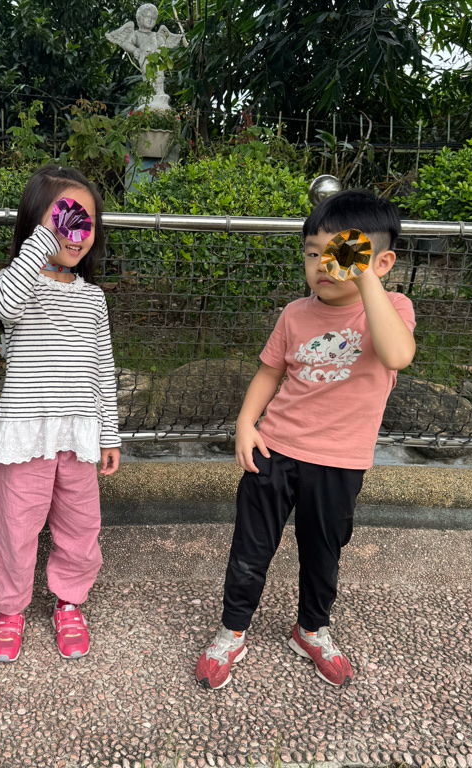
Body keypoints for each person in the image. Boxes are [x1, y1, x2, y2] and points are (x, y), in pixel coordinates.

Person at [195, 189, 416, 689]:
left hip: (340, 462)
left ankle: (311, 629)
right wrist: (246, 424)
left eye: (341, 253)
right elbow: (269, 372)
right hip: (275, 449)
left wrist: (365, 278)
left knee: (323, 552)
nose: (323, 265)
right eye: (313, 253)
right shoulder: (295, 314)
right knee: (250, 548)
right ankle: (232, 631)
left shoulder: (392, 308)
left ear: (381, 263)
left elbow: (397, 355)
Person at [0, 165, 121, 663]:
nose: (75, 232)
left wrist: (109, 434)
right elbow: (2, 306)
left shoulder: (93, 298)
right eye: (64, 218)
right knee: (16, 529)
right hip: (24, 435)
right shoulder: (17, 284)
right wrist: (41, 243)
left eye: (86, 221)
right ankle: (10, 609)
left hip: (78, 437)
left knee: (81, 527)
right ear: (35, 225)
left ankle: (70, 601)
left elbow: (102, 367)